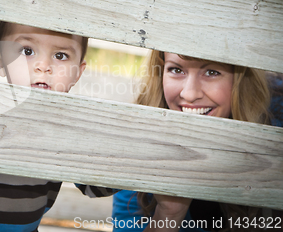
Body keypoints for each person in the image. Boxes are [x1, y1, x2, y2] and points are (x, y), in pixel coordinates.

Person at [0, 21, 118, 232]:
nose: (43, 66)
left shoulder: (68, 128)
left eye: (61, 56)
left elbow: (95, 189)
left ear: (77, 73)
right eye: (27, 51)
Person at [112, 51, 277, 232]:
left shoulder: (275, 130)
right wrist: (168, 214)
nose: (189, 94)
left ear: (242, 80)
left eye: (212, 72)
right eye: (176, 69)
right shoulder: (138, 151)